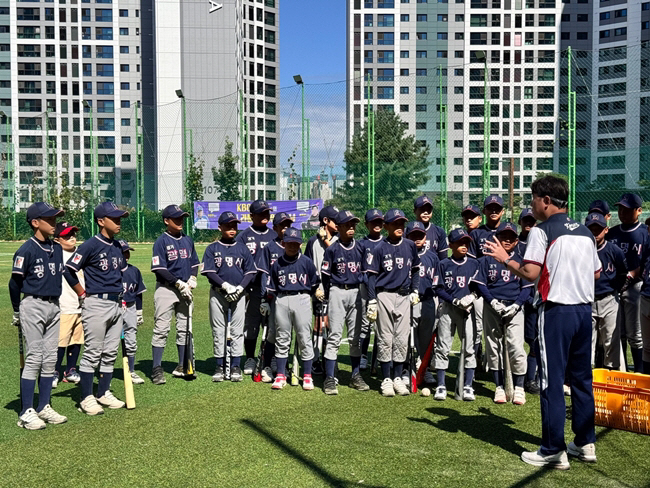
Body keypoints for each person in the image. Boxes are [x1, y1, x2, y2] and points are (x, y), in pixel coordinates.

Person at [485, 175, 600, 469]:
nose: (531, 204)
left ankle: (552, 449)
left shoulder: (541, 231)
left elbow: (531, 273)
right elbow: (597, 272)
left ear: (546, 201)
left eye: (533, 198)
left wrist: (505, 258)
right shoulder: (586, 232)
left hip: (557, 312)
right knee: (581, 380)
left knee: (550, 381)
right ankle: (585, 443)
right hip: (585, 312)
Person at [65, 202, 130, 415]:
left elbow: (120, 273)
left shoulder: (119, 245)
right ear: (101, 221)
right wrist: (82, 294)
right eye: (115, 218)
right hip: (96, 303)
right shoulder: (90, 245)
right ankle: (86, 397)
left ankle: (103, 392)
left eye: (120, 218)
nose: (119, 222)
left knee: (110, 352)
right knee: (93, 352)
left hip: (116, 302)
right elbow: (68, 270)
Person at [10, 203, 67, 429]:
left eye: (55, 219)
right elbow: (14, 284)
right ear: (35, 222)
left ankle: (44, 405)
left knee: (50, 358)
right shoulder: (26, 249)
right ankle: (25, 411)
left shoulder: (57, 248)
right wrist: (17, 310)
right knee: (34, 357)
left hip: (54, 305)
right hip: (32, 304)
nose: (54, 223)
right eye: (49, 219)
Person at [474, 222, 533, 405]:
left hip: (514, 308)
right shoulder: (486, 259)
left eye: (510, 237)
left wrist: (516, 305)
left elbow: (527, 287)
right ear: (496, 239)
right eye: (503, 237)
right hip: (493, 307)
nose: (506, 240)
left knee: (516, 346)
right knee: (493, 348)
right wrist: (492, 301)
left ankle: (520, 387)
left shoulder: (521, 261)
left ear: (516, 241)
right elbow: (480, 284)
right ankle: (499, 386)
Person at [364, 208, 420, 397]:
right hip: (384, 295)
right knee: (385, 338)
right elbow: (371, 277)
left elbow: (416, 269)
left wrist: (415, 290)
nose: (399, 227)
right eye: (395, 223)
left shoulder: (410, 245)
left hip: (404, 296)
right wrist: (372, 300)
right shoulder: (379, 248)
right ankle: (386, 378)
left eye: (402, 223)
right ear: (386, 226)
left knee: (401, 338)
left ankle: (398, 377)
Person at [263, 227, 321, 390]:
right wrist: (266, 301)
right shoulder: (277, 264)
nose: (292, 246)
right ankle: (281, 375)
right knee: (282, 338)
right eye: (289, 243)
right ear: (283, 243)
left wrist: (316, 293)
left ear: (300, 245)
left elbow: (314, 283)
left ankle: (308, 376)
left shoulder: (306, 262)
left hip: (302, 298)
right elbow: (272, 286)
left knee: (304, 337)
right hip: (281, 299)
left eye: (296, 243)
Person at [202, 211, 256, 382]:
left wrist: (240, 288)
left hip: (239, 295)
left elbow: (250, 271)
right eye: (228, 226)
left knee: (237, 331)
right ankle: (219, 365)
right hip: (218, 294)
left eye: (234, 226)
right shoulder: (212, 248)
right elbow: (209, 272)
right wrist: (224, 286)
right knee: (218, 331)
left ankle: (235, 366)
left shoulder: (242, 248)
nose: (232, 229)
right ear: (220, 227)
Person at [320, 210, 370, 395]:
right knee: (334, 337)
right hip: (337, 292)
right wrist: (325, 298)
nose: (351, 227)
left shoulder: (361, 247)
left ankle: (355, 375)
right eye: (347, 224)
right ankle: (330, 378)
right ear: (338, 227)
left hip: (356, 292)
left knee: (355, 338)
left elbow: (366, 273)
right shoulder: (332, 249)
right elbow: (325, 276)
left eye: (353, 224)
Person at [150, 205, 200, 384]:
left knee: (184, 328)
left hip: (185, 289)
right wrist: (178, 283)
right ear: (166, 221)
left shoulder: (188, 239)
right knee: (161, 329)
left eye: (182, 218)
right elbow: (158, 268)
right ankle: (156, 368)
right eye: (176, 218)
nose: (180, 221)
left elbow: (195, 262)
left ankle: (182, 365)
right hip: (166, 289)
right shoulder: (161, 241)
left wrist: (192, 278)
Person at [433, 228, 480, 401]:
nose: (463, 246)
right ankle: (441, 385)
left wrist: (472, 297)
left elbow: (479, 287)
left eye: (466, 242)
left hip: (467, 309)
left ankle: (467, 385)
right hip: (448, 308)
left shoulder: (474, 263)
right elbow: (438, 288)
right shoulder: (444, 264)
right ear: (451, 245)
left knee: (469, 347)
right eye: (459, 242)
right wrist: (454, 301)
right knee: (443, 346)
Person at [607, 193, 648, 373]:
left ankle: (639, 372)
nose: (622, 212)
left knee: (635, 335)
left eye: (627, 209)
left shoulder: (644, 233)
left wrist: (632, 275)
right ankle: (622, 373)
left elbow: (646, 262)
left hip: (636, 286)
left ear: (639, 211)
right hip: (615, 286)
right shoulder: (613, 232)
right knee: (618, 333)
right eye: (620, 208)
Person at [237, 200, 278, 375]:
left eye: (267, 212)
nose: (265, 216)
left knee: (272, 326)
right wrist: (243, 288)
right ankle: (251, 358)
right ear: (251, 216)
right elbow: (238, 263)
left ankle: (272, 358)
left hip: (272, 290)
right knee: (252, 326)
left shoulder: (274, 235)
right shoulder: (244, 236)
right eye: (261, 213)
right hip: (252, 289)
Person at [468, 195, 506, 371]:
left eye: (497, 208)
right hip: (481, 289)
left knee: (502, 331)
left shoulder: (508, 231)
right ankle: (475, 362)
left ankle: (501, 365)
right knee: (477, 329)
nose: (494, 211)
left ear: (503, 211)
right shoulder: (477, 234)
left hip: (502, 288)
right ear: (484, 212)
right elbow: (471, 262)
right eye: (490, 208)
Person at [585, 213, 627, 370]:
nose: (595, 232)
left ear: (606, 230)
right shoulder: (582, 250)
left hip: (608, 299)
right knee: (587, 341)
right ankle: (587, 376)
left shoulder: (614, 250)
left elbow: (623, 273)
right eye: (591, 228)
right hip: (588, 299)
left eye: (599, 229)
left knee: (611, 340)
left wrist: (615, 289)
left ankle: (613, 375)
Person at [256, 212, 295, 382]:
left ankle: (282, 364)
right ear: (276, 228)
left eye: (289, 225)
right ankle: (266, 365)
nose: (286, 228)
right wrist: (264, 298)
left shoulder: (294, 246)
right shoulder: (269, 248)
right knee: (272, 332)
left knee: (287, 332)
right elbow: (264, 274)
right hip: (273, 296)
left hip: (290, 295)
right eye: (283, 226)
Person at [304, 205, 339, 373]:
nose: (339, 223)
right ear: (325, 221)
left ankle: (330, 357)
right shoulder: (312, 242)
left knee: (332, 324)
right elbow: (307, 266)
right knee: (319, 324)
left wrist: (326, 240)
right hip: (319, 291)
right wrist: (314, 289)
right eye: (335, 220)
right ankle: (316, 358)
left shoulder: (340, 240)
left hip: (337, 290)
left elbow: (335, 253)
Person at [406, 220, 440, 385]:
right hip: (409, 300)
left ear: (425, 236)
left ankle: (424, 370)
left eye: (420, 235)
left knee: (426, 337)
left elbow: (436, 280)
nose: (417, 239)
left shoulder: (432, 257)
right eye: (413, 236)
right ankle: (409, 369)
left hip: (427, 300)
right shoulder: (405, 253)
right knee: (409, 336)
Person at [53, 222, 83, 387]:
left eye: (73, 233)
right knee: (61, 341)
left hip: (81, 304)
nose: (71, 237)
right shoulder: (56, 254)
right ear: (57, 239)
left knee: (77, 340)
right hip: (64, 304)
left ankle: (70, 369)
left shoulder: (81, 253)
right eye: (66, 235)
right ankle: (55, 371)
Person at [517, 208, 540, 394]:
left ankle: (532, 378)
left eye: (532, 221)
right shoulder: (515, 243)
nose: (528, 224)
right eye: (525, 220)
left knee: (534, 340)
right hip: (517, 297)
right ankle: (518, 375)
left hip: (535, 296)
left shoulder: (540, 241)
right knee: (518, 339)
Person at [359, 209, 384, 370]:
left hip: (383, 288)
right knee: (364, 323)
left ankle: (380, 356)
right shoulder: (361, 244)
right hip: (365, 287)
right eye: (373, 222)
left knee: (382, 324)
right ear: (366, 224)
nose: (376, 224)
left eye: (379, 221)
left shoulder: (387, 242)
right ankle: (362, 354)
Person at [120, 240, 147, 384]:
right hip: (113, 307)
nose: (126, 255)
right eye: (123, 252)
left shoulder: (134, 271)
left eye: (127, 251)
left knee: (131, 339)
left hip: (130, 306)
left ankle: (130, 370)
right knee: (108, 342)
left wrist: (139, 311)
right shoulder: (110, 272)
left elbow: (138, 293)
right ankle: (105, 373)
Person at [414, 195, 448, 260]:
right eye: (422, 209)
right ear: (415, 211)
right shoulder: (407, 232)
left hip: (433, 268)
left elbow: (443, 258)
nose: (426, 212)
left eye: (428, 209)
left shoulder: (439, 231)